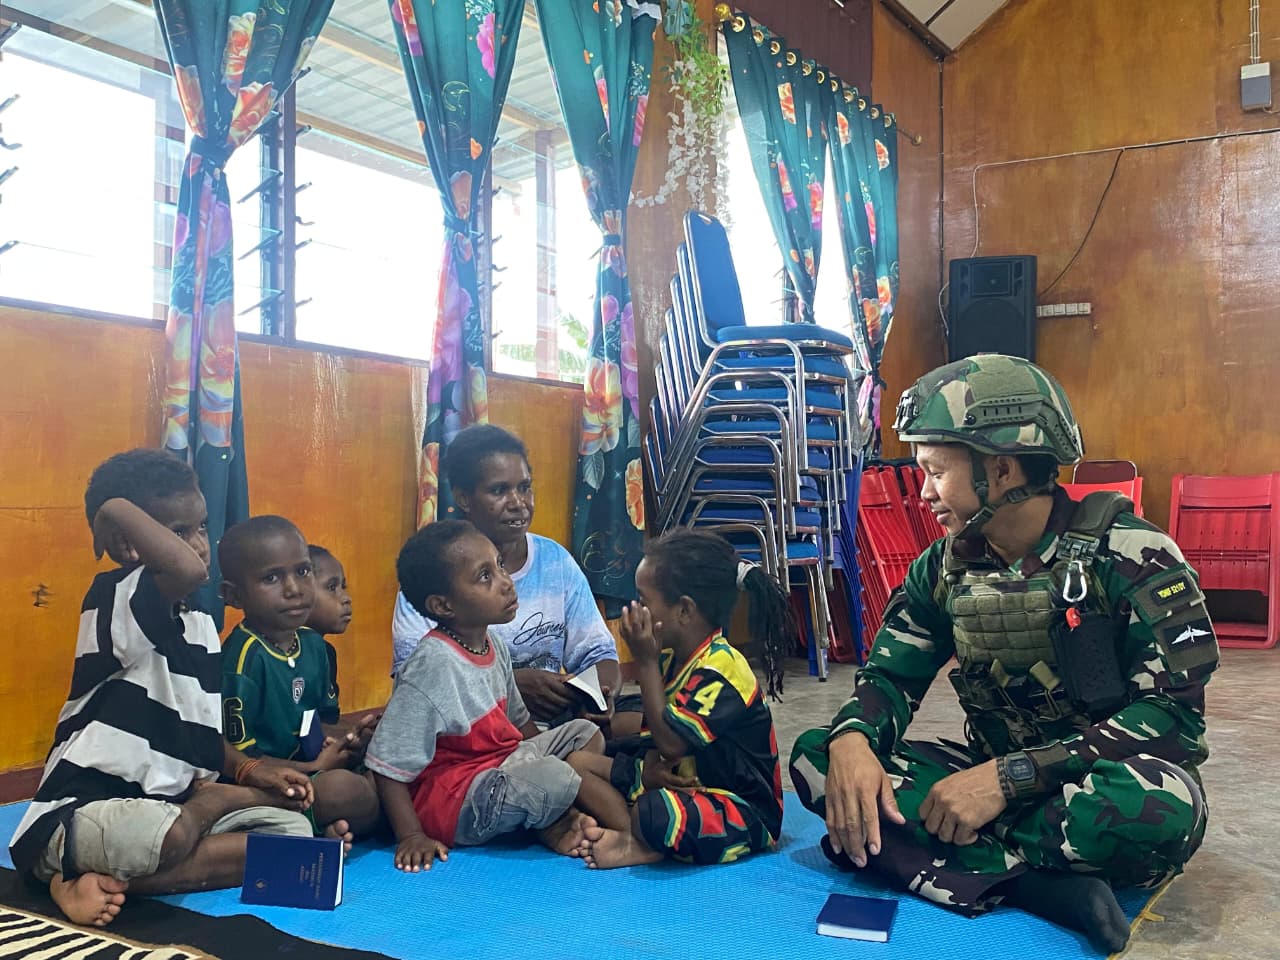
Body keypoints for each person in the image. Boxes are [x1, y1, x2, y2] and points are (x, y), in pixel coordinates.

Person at [789, 355, 1218, 954]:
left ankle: (947, 858)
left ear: (1003, 468)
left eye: (937, 471)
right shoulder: (942, 567)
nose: (925, 493)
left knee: (1159, 808)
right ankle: (1038, 887)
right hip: (985, 777)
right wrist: (854, 737)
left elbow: (1173, 724)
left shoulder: (1133, 555)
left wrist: (1010, 779)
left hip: (1084, 781)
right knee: (820, 760)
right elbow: (889, 674)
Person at [8, 450, 314, 927]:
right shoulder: (116, 596)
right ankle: (57, 868)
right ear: (131, 544)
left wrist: (251, 771)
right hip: (82, 811)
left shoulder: (200, 625)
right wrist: (111, 508)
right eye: (177, 533)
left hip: (167, 810)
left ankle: (99, 877)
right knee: (170, 835)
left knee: (293, 835)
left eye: (201, 527)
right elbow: (186, 571)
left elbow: (199, 735)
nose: (198, 545)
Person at [367, 521, 629, 872]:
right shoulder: (432, 664)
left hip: (502, 763)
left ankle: (550, 816)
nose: (506, 583)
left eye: (500, 566)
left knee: (583, 733)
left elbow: (521, 726)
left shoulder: (494, 644)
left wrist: (539, 756)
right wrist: (411, 835)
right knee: (556, 778)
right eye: (485, 577)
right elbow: (387, 764)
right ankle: (581, 816)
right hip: (458, 796)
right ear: (443, 605)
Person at [569, 530, 789, 870]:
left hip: (737, 806)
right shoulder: (672, 657)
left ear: (684, 610)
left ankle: (637, 836)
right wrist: (651, 770)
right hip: (680, 782)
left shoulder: (724, 669)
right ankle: (639, 832)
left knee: (654, 810)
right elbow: (655, 735)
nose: (635, 609)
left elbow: (671, 742)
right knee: (577, 764)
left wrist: (644, 662)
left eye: (643, 600)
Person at [391, 425, 623, 727]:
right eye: (499, 490)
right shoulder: (435, 575)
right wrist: (512, 684)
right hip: (472, 734)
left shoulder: (556, 562)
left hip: (555, 720)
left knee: (647, 719)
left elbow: (599, 654)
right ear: (463, 498)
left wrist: (601, 695)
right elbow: (417, 685)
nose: (518, 502)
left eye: (525, 487)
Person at [220, 517, 381, 847]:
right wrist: (312, 766)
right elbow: (240, 759)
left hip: (310, 768)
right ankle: (298, 825)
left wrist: (349, 739)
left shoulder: (313, 644)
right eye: (271, 578)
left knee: (386, 764)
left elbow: (321, 722)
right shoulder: (243, 659)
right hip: (263, 781)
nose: (293, 589)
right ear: (234, 596)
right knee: (345, 791)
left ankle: (323, 826)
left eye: (303, 571)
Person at [306, 544, 380, 752]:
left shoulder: (325, 651)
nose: (346, 598)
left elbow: (328, 721)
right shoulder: (279, 657)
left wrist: (364, 730)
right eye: (331, 587)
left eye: (343, 586)